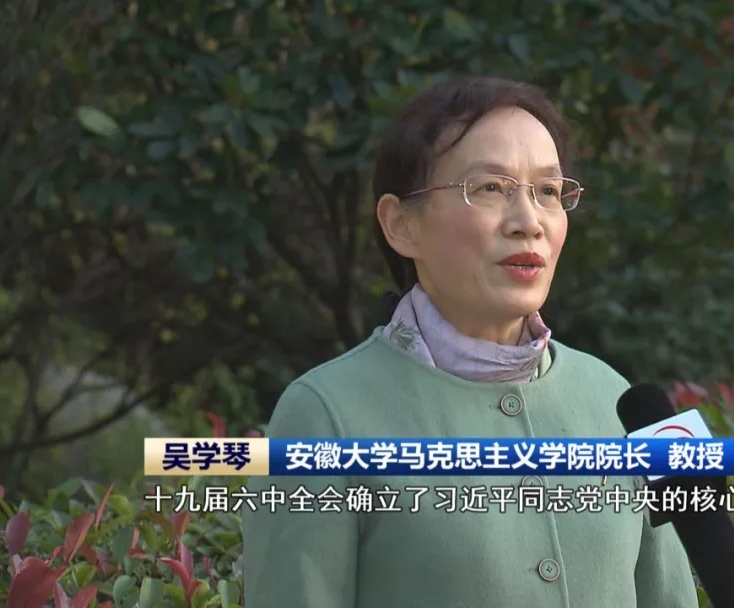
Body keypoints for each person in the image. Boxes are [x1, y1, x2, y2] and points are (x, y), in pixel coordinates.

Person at [241, 75, 698, 608]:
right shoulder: (323, 416)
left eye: (549, 192)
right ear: (401, 224)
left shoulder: (619, 400)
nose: (528, 222)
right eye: (490, 189)